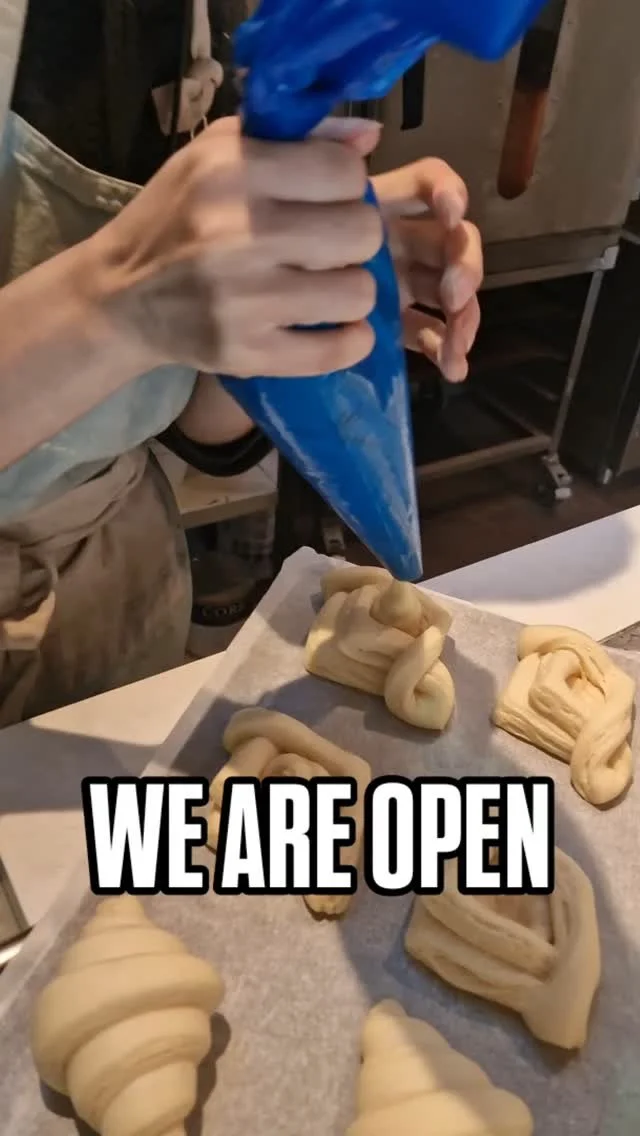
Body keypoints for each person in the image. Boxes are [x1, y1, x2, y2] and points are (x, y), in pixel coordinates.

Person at [0, 0, 483, 726]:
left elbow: (195, 423)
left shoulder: (194, 21)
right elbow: (127, 303)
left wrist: (298, 292)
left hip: (122, 593)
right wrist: (113, 301)